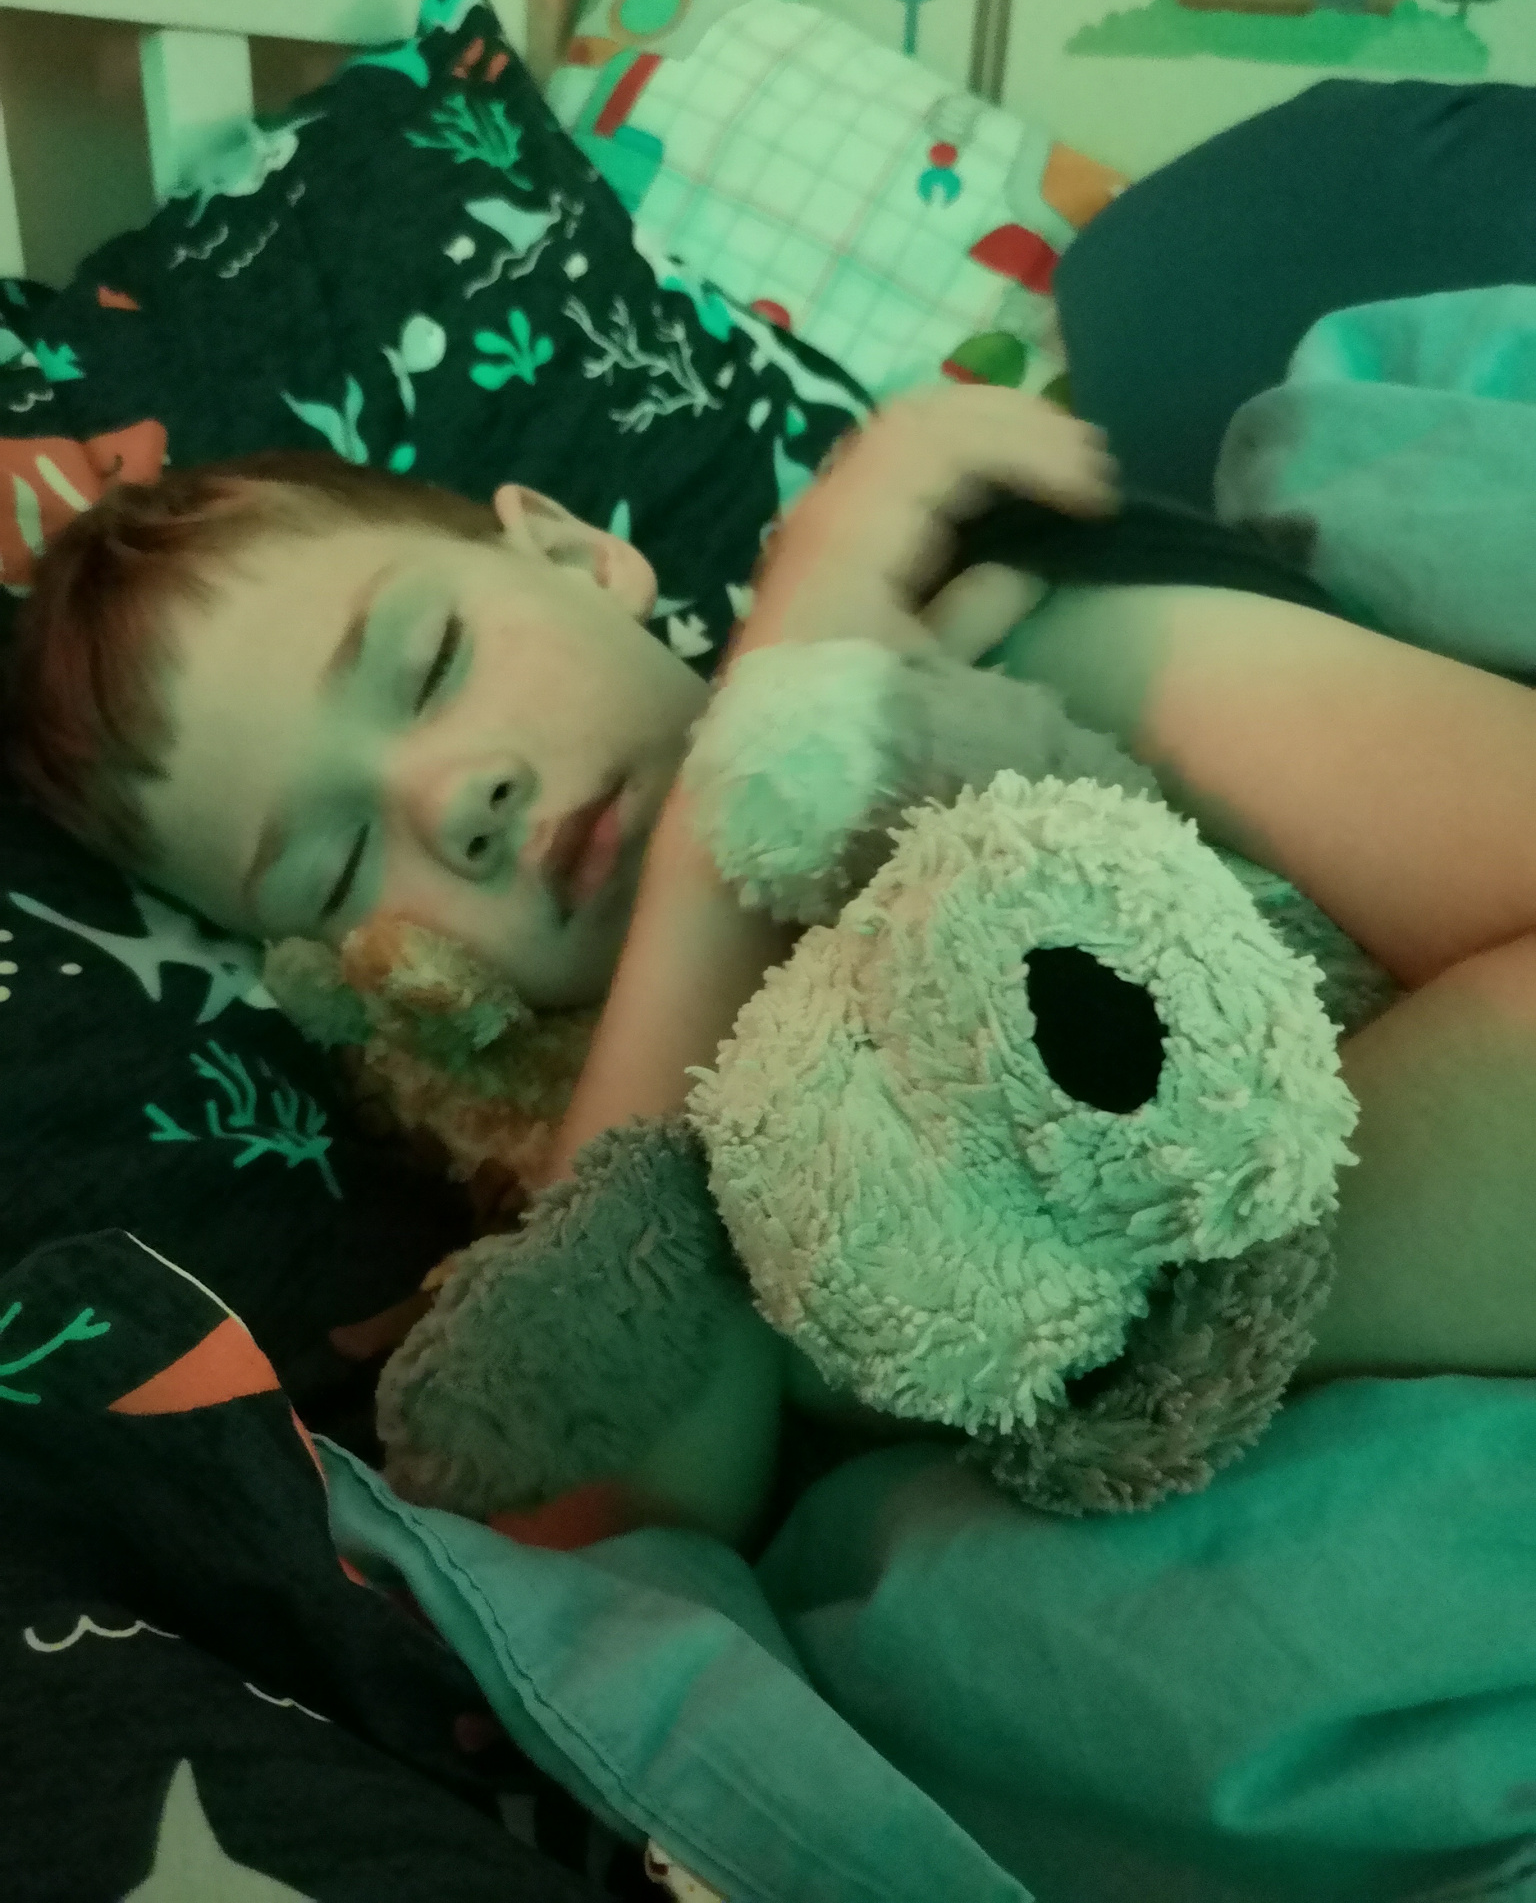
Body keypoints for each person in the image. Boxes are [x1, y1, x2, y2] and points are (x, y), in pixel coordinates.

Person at [10, 387, 1536, 1412]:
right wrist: (723, 827)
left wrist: (1112, 1349)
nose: (451, 798)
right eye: (340, 867)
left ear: (575, 553)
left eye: (432, 662)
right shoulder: (556, 1167)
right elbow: (607, 1526)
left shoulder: (1010, 642)